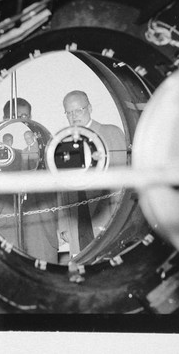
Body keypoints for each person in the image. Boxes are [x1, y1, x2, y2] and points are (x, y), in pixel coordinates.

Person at [0, 98, 59, 263]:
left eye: (25, 115)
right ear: (3, 118)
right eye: (14, 116)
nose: (20, 120)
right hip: (3, 230)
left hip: (41, 232)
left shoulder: (44, 143)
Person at [58, 90, 127, 260]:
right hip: (77, 218)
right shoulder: (63, 142)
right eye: (69, 112)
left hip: (108, 214)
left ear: (89, 108)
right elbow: (60, 188)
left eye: (78, 110)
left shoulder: (111, 133)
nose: (74, 116)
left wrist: (120, 218)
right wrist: (63, 224)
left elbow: (122, 180)